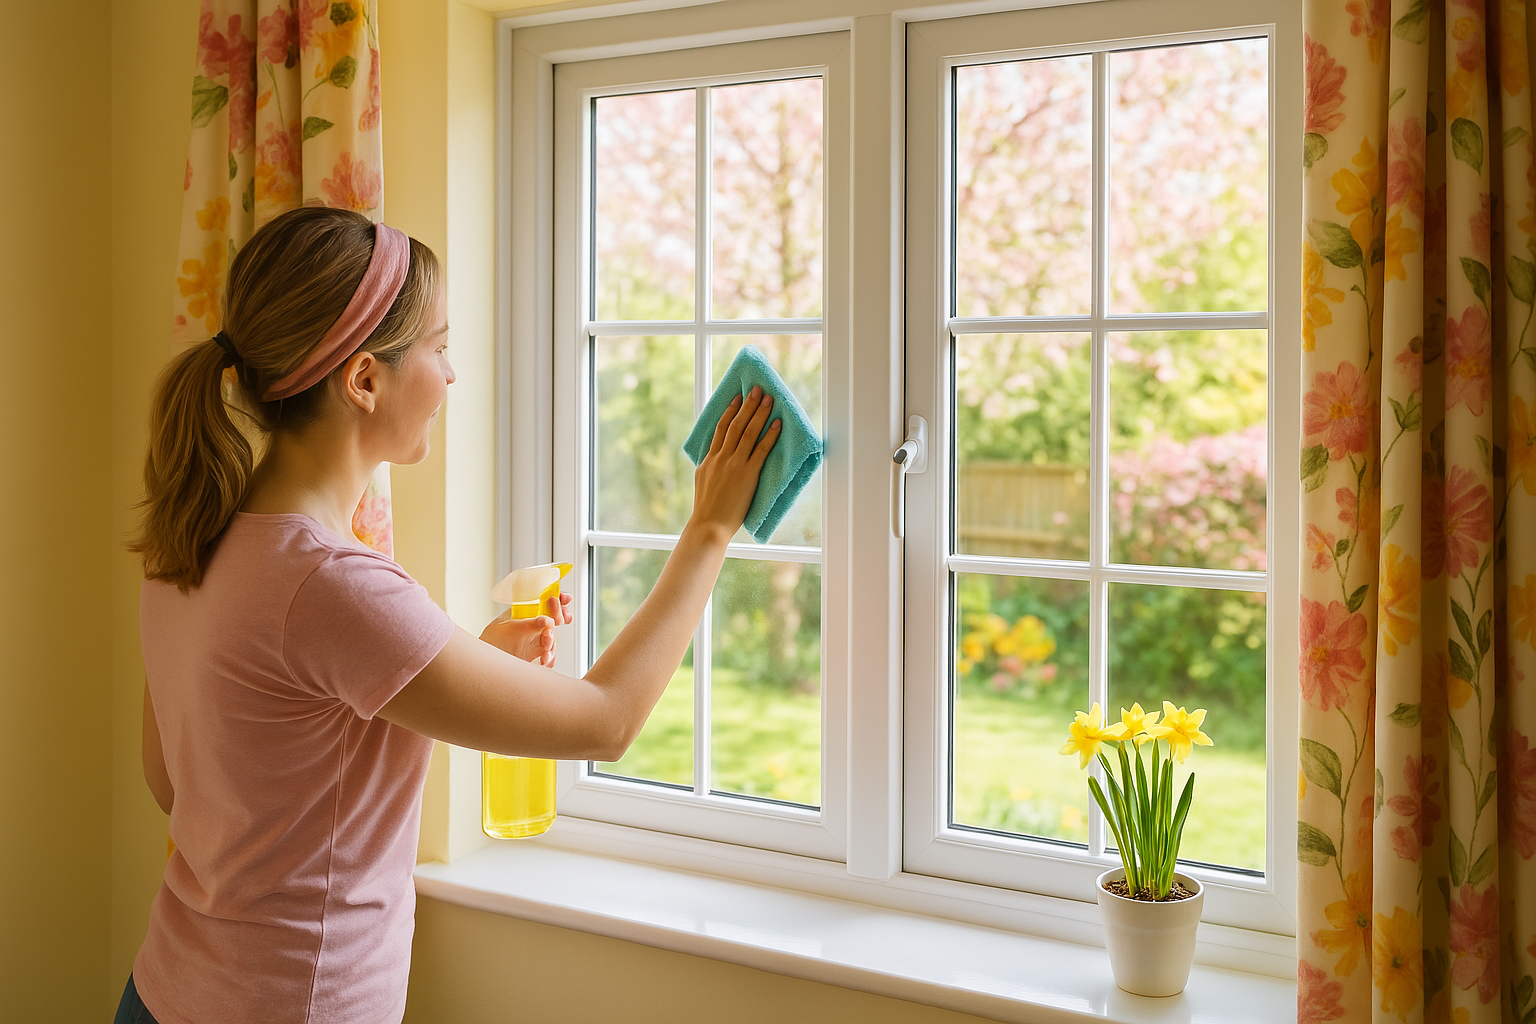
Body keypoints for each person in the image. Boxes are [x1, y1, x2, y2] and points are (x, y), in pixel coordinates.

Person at [118, 205, 779, 1024]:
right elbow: (606, 722)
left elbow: (179, 780)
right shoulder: (333, 585)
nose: (451, 376)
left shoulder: (191, 539)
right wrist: (710, 528)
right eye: (438, 349)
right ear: (364, 380)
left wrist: (462, 660)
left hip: (163, 991)